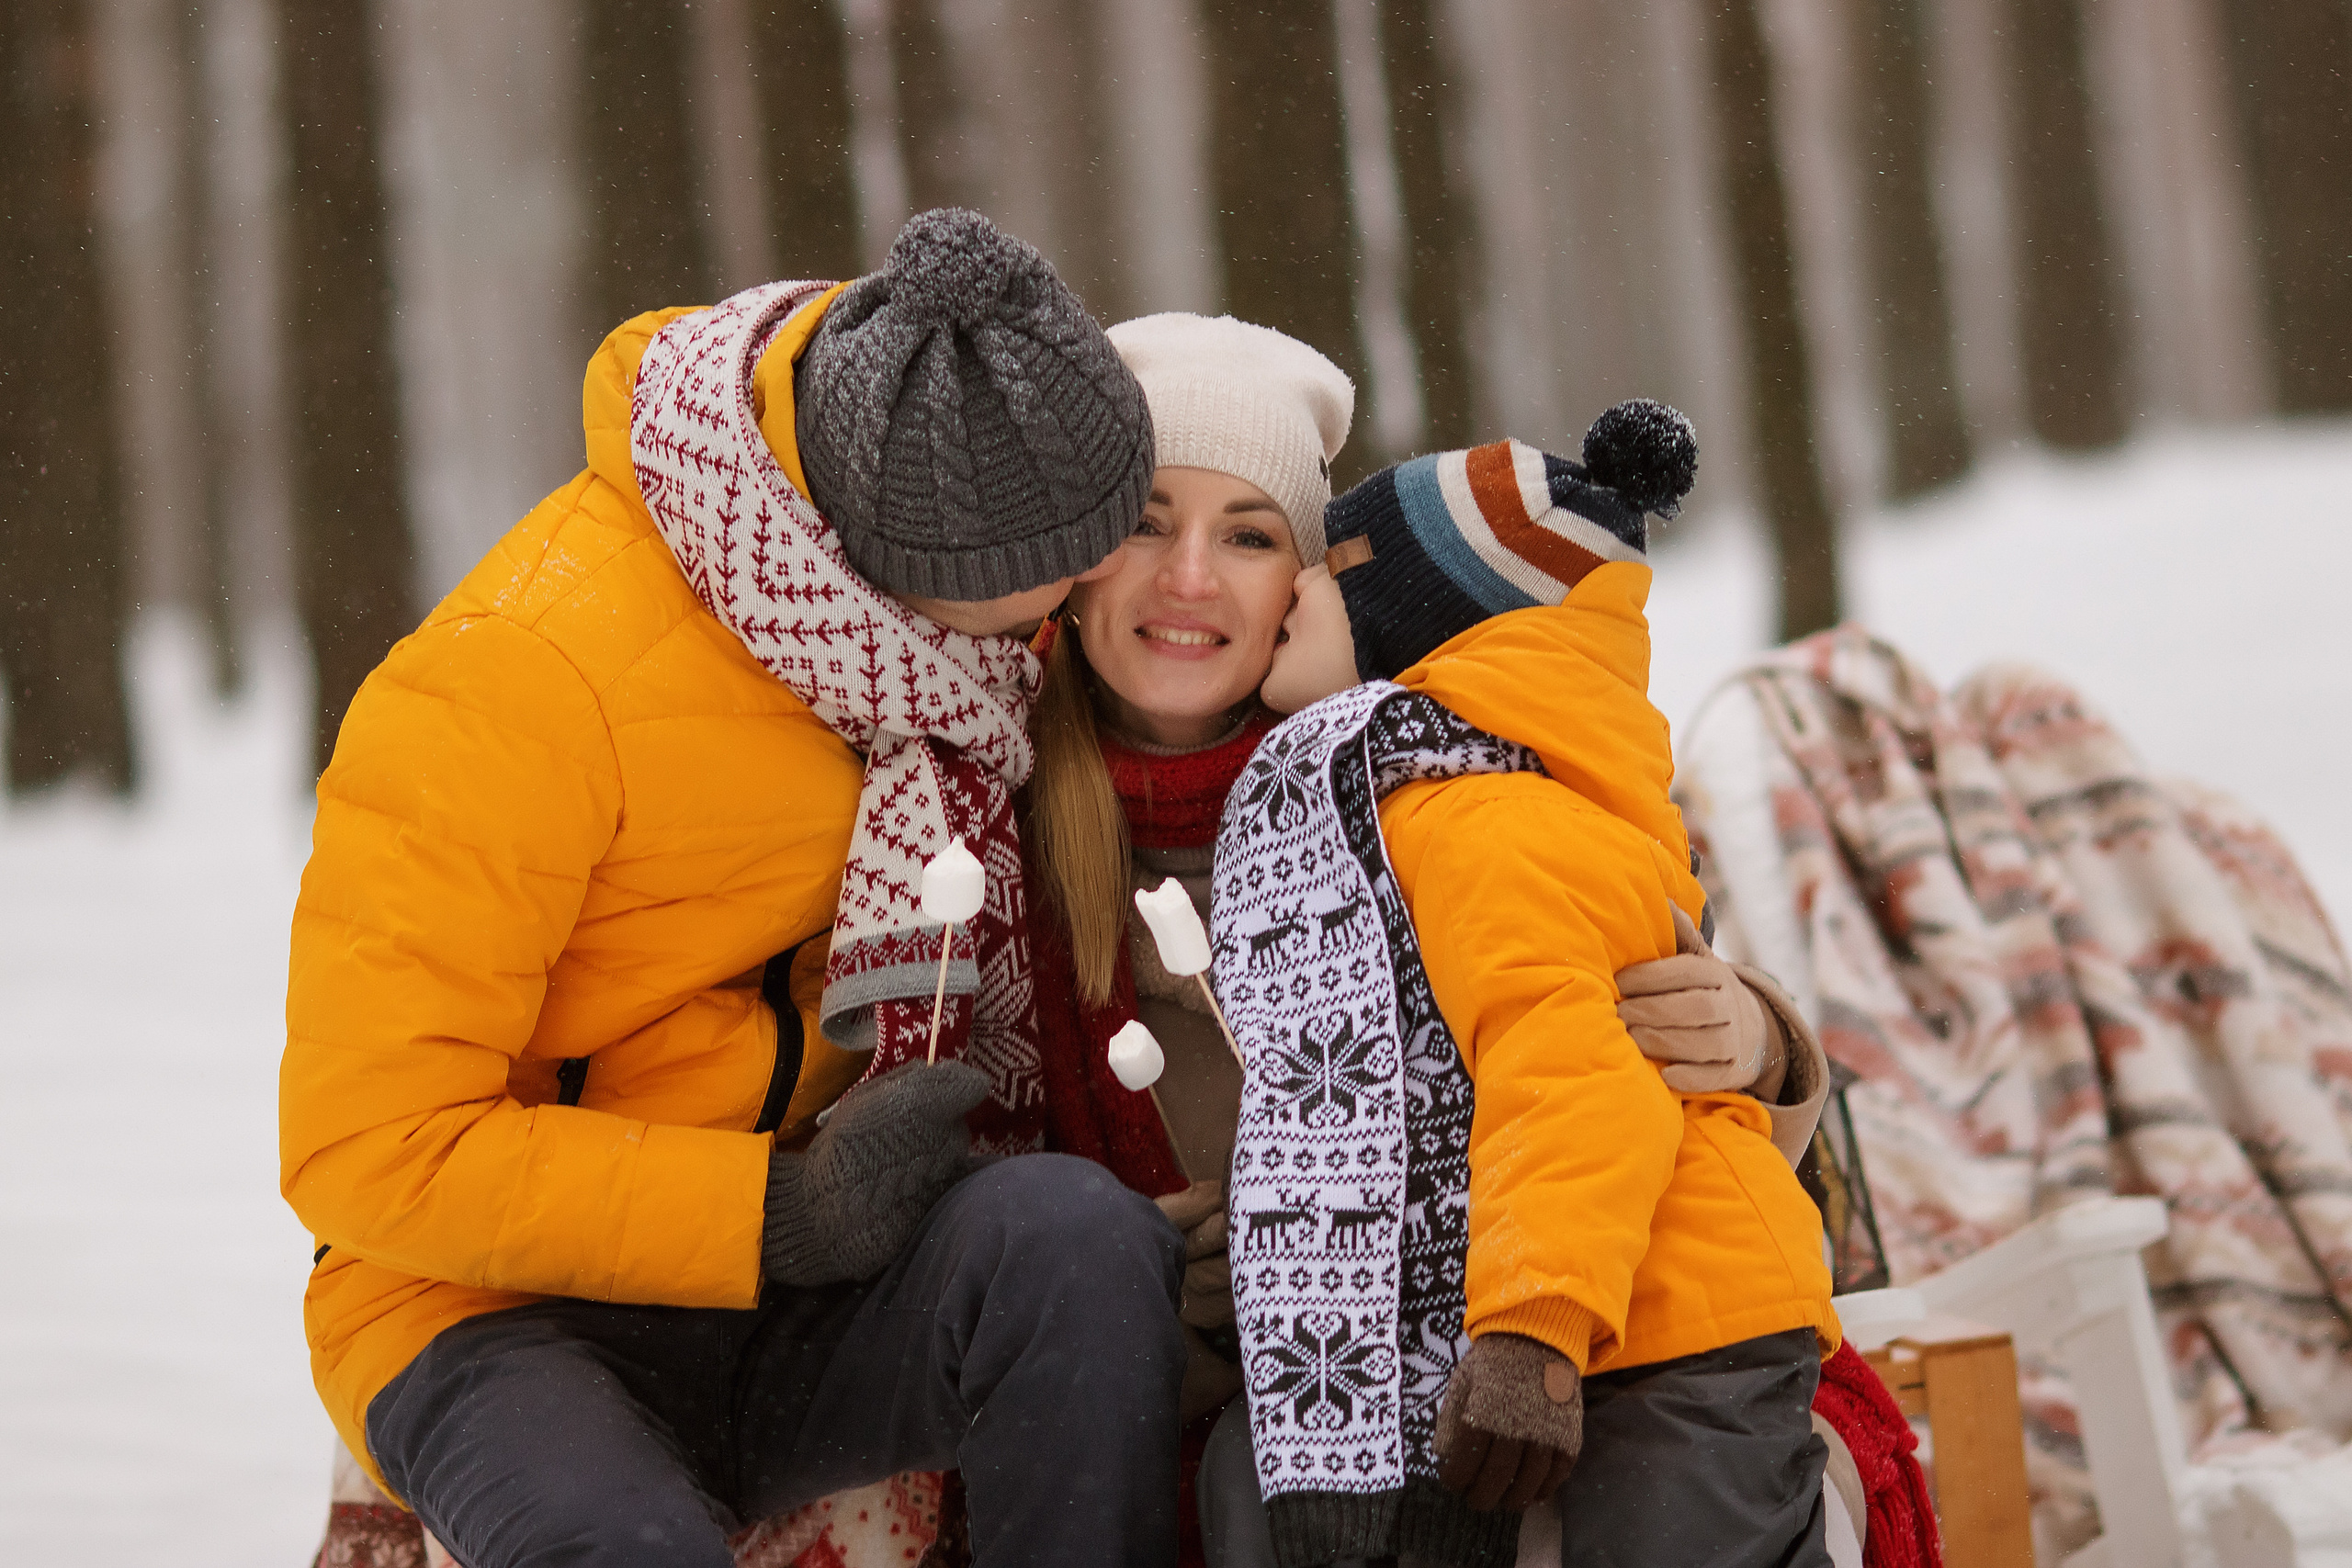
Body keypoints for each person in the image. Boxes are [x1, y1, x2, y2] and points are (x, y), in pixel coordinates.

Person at [280, 209, 1188, 1568]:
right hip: (499, 1314)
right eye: (1063, 563)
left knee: (1074, 1246)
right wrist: (776, 1211)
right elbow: (366, 1149)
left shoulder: (931, 648)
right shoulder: (516, 681)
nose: (1102, 580)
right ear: (899, 571)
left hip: (804, 1294)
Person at [1011, 314, 1829, 1557]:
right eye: (1143, 522)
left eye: (1250, 536)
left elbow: (1610, 1091)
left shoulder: (1446, 781)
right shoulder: (978, 824)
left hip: (1598, 1349)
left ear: (1310, 586)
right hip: (1272, 1423)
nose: (1189, 578)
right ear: (1072, 567)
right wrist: (1142, 1291)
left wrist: (1763, 1046)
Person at [1212, 411, 1839, 1567]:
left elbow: (1570, 1075)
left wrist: (1532, 1329)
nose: (1296, 580)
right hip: (1613, 1303)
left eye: (1332, 565)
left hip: (1676, 1311)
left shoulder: (1484, 820)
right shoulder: (1433, 798)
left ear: (1428, 620)